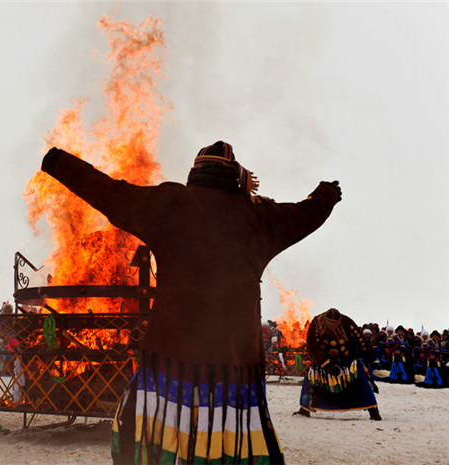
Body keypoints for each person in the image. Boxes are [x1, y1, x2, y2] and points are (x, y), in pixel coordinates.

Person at [39, 142, 341, 465]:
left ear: (196, 172)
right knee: (231, 445)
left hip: (171, 361)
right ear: (235, 177)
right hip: (235, 365)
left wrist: (59, 162)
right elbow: (306, 213)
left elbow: (110, 192)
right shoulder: (259, 217)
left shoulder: (170, 204)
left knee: (148, 442)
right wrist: (326, 193)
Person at [294, 308, 381, 421]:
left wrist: (372, 361)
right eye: (330, 324)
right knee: (310, 382)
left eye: (335, 324)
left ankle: (374, 412)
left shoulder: (347, 323)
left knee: (362, 383)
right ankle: (304, 409)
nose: (333, 326)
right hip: (322, 362)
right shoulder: (316, 323)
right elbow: (312, 346)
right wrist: (326, 364)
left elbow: (361, 342)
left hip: (347, 361)